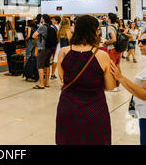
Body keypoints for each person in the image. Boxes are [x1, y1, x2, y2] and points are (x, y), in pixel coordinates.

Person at [55, 15, 116, 145]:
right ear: (95, 31)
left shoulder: (64, 52)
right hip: (94, 108)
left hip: (67, 107)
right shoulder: (101, 55)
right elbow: (110, 86)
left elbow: (63, 78)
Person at [32, 15, 55, 89]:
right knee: (47, 65)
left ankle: (41, 84)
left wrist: (39, 37)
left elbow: (34, 36)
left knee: (40, 66)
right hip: (49, 48)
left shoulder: (42, 27)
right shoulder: (51, 27)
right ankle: (46, 83)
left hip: (42, 48)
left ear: (43, 19)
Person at [102, 13, 122, 92]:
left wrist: (106, 42)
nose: (106, 18)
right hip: (117, 49)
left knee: (111, 67)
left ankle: (113, 86)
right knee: (117, 66)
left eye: (107, 17)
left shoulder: (110, 27)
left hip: (112, 49)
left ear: (109, 19)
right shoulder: (116, 25)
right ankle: (117, 85)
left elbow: (114, 39)